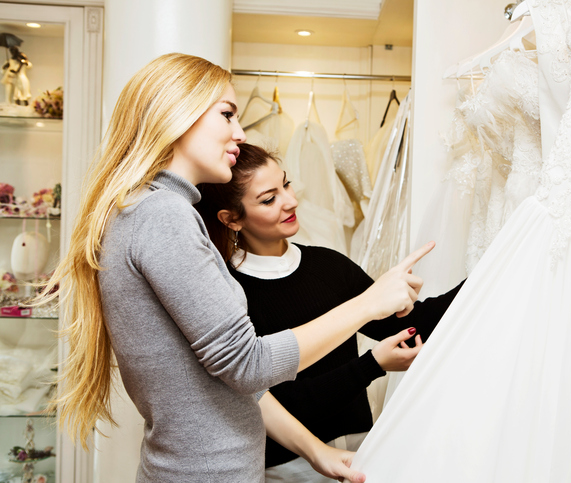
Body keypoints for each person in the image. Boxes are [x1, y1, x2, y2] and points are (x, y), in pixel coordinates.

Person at [35, 53, 434, 483]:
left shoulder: (148, 210)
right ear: (178, 114)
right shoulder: (162, 216)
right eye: (227, 114)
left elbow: (232, 379)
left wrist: (316, 451)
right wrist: (368, 305)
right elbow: (249, 364)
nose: (240, 134)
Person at [194, 143, 465, 482]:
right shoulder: (228, 293)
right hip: (285, 465)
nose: (291, 201)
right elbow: (278, 403)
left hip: (361, 449)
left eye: (286, 185)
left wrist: (487, 277)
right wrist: (372, 365)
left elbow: (411, 326)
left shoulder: (328, 265)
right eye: (269, 199)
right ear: (231, 218)